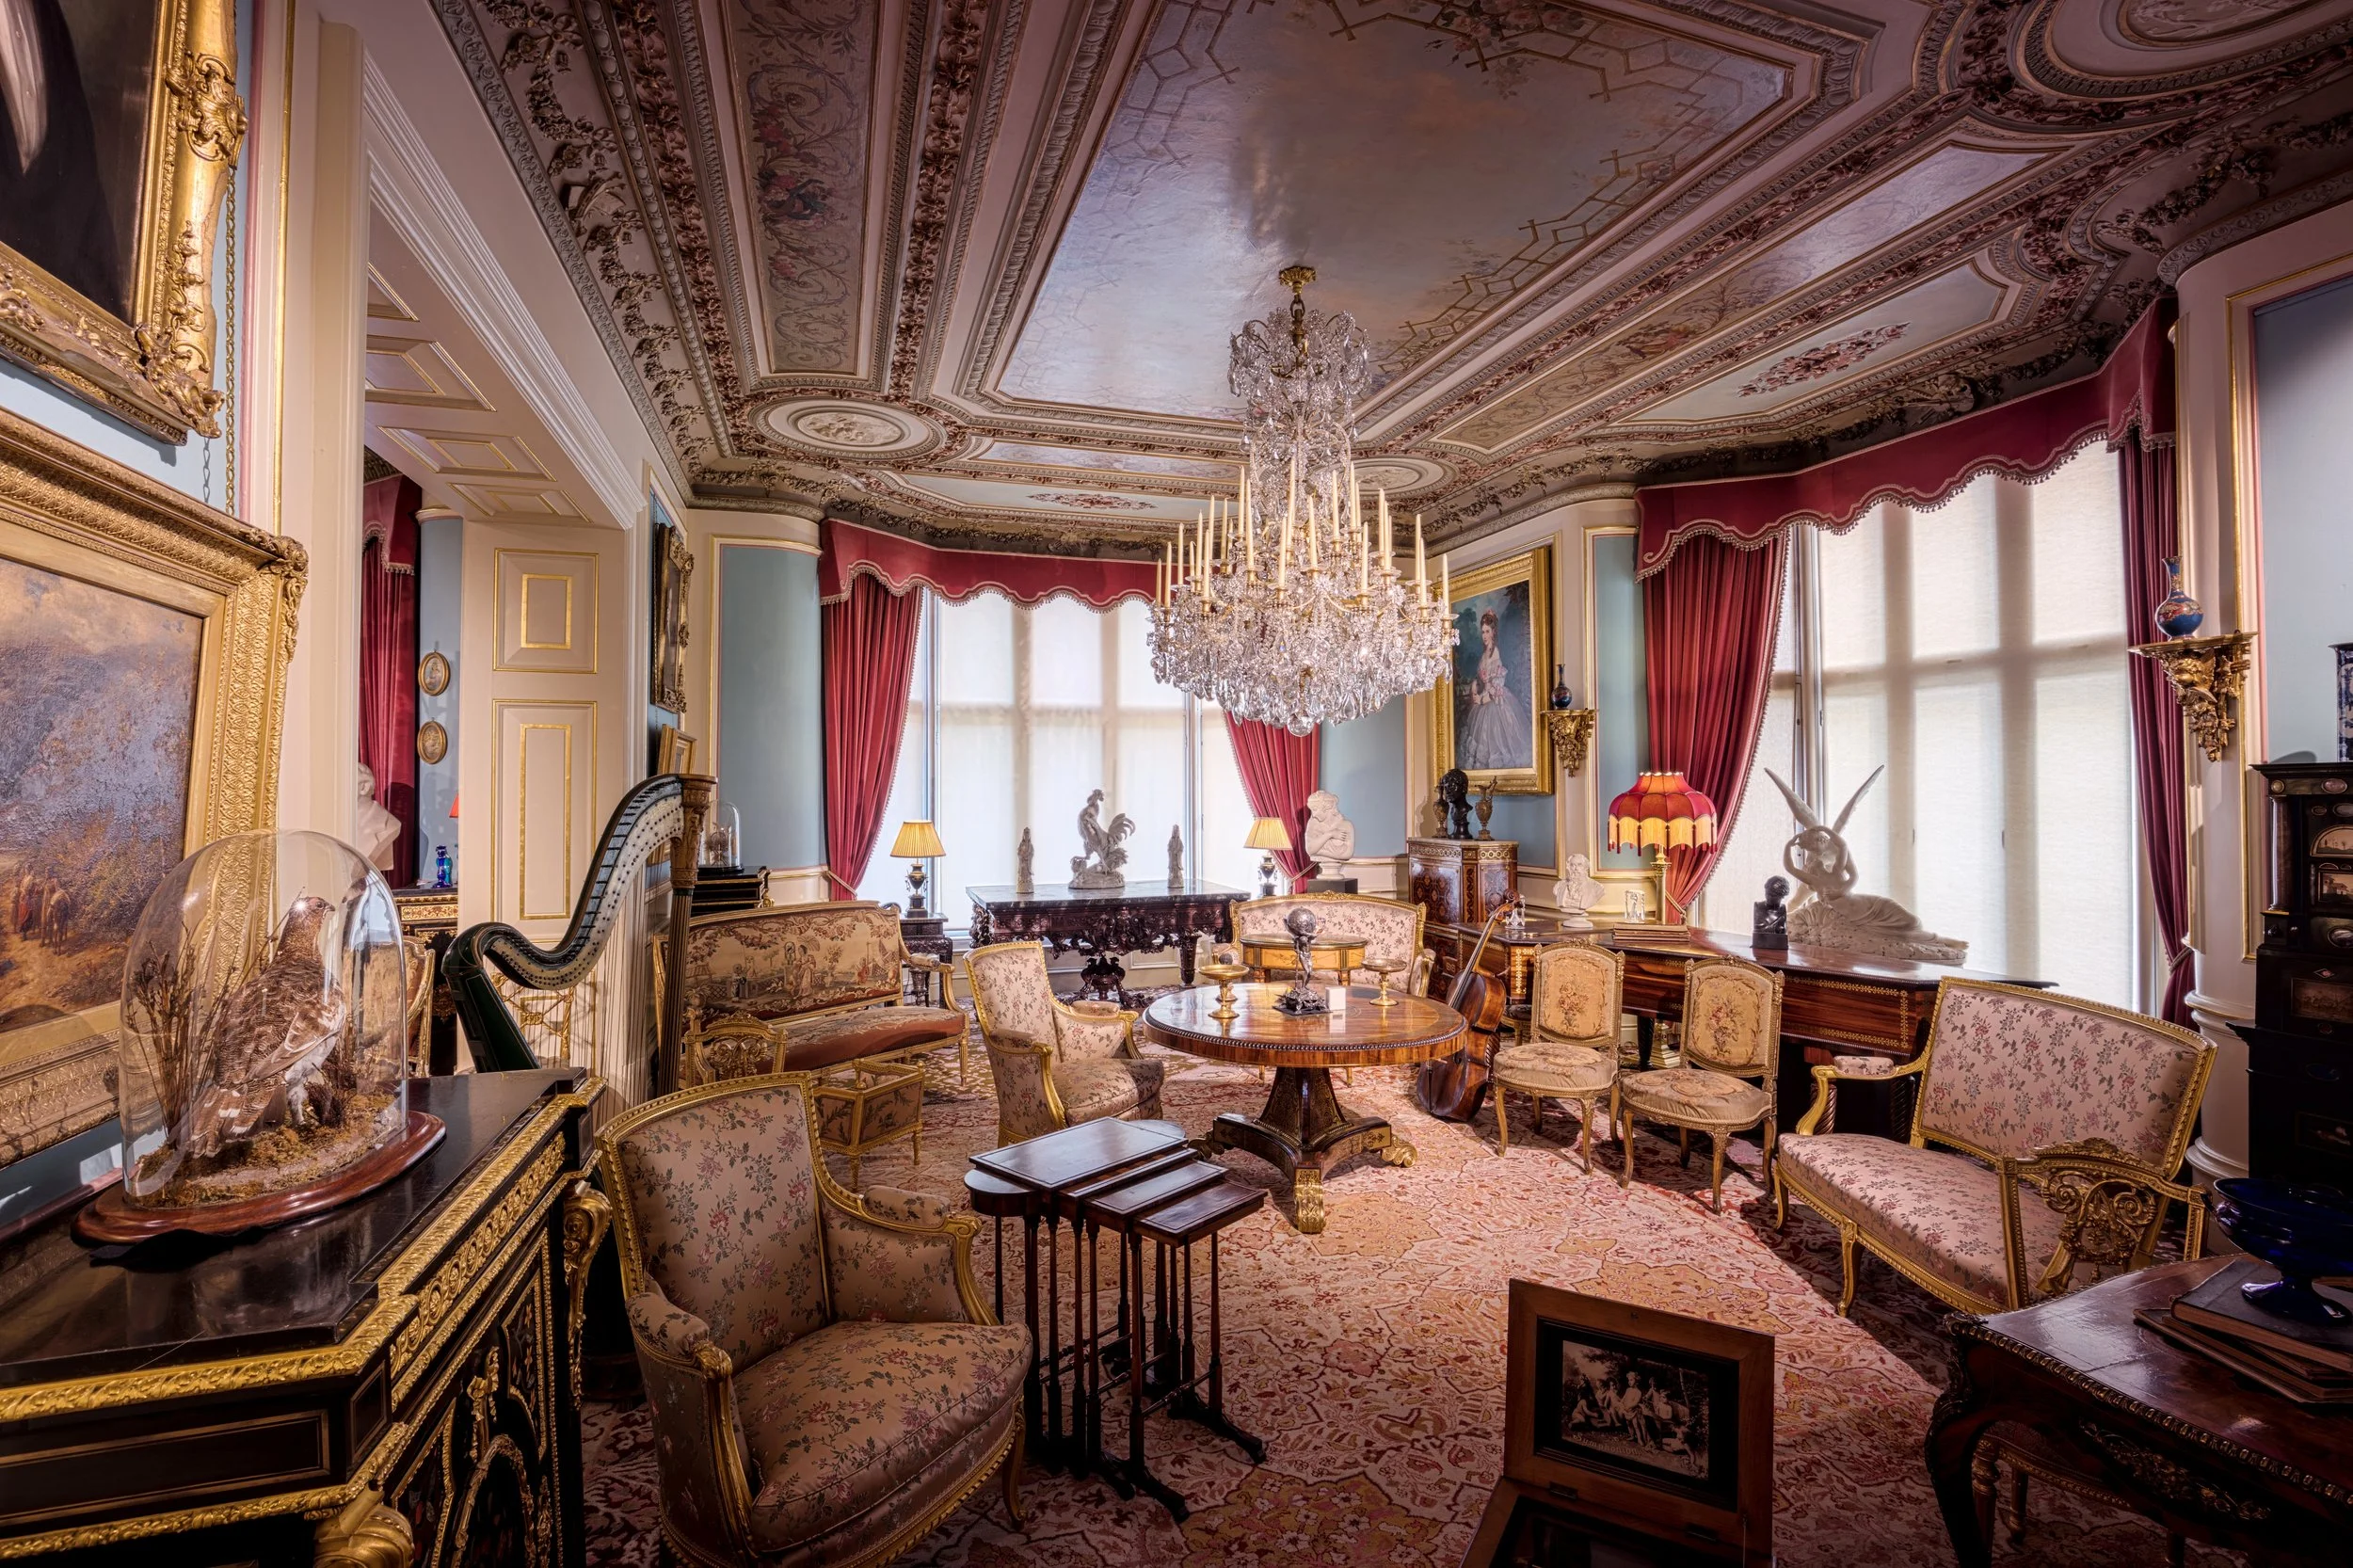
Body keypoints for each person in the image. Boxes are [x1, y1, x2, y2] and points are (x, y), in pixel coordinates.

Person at [1457, 609, 1531, 771]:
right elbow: (1480, 679)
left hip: (1496, 701)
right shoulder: (1484, 655)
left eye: (1487, 631)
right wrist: (1474, 690)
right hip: (1484, 698)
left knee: (1498, 739)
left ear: (1493, 632)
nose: (1484, 635)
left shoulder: (1496, 654)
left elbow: (1498, 685)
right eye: (1482, 631)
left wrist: (1483, 699)